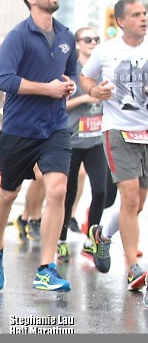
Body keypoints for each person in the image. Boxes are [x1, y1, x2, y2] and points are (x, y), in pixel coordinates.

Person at [0, 0, 77, 293]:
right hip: (19, 129)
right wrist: (46, 89)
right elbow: (4, 80)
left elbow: (70, 71)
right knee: (8, 193)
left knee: (57, 190)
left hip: (55, 127)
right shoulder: (17, 36)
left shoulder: (66, 36)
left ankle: (46, 268)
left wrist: (69, 85)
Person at [80, 0, 148, 291]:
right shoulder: (106, 51)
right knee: (129, 198)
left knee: (138, 204)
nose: (143, 19)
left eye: (145, 13)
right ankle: (133, 267)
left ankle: (102, 236)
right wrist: (95, 91)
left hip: (146, 133)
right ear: (120, 21)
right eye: (136, 15)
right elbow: (85, 78)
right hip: (118, 131)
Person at [57, 27, 117, 268]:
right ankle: (60, 238)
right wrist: (84, 98)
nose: (93, 42)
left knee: (101, 192)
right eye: (88, 39)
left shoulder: (103, 70)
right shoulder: (70, 72)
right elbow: (59, 104)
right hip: (72, 140)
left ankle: (91, 240)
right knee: (68, 194)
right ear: (77, 44)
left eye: (96, 39)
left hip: (95, 141)